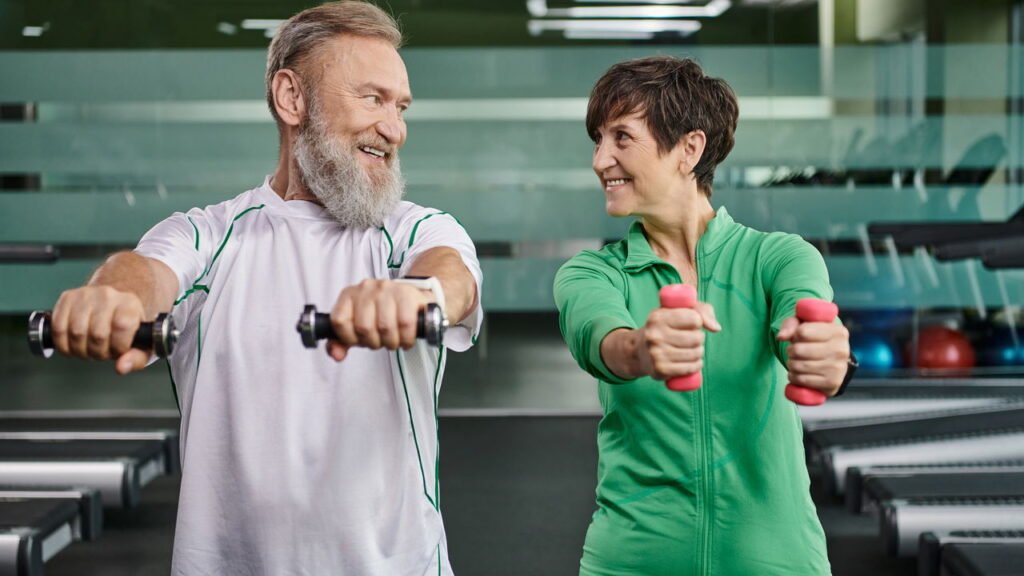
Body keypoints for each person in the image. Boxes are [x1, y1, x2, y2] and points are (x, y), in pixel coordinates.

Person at [47, 2, 482, 574]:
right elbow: (146, 272)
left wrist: (416, 297)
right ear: (292, 98)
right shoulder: (209, 235)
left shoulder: (413, 230)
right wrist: (111, 297)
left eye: (400, 107)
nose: (394, 128)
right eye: (372, 99)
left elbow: (451, 277)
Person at [554, 56, 852, 575]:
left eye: (622, 138)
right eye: (597, 140)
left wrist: (823, 356)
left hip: (775, 559)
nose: (601, 160)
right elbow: (603, 338)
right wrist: (644, 348)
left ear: (689, 149)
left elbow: (806, 324)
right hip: (633, 560)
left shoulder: (778, 257)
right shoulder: (592, 274)